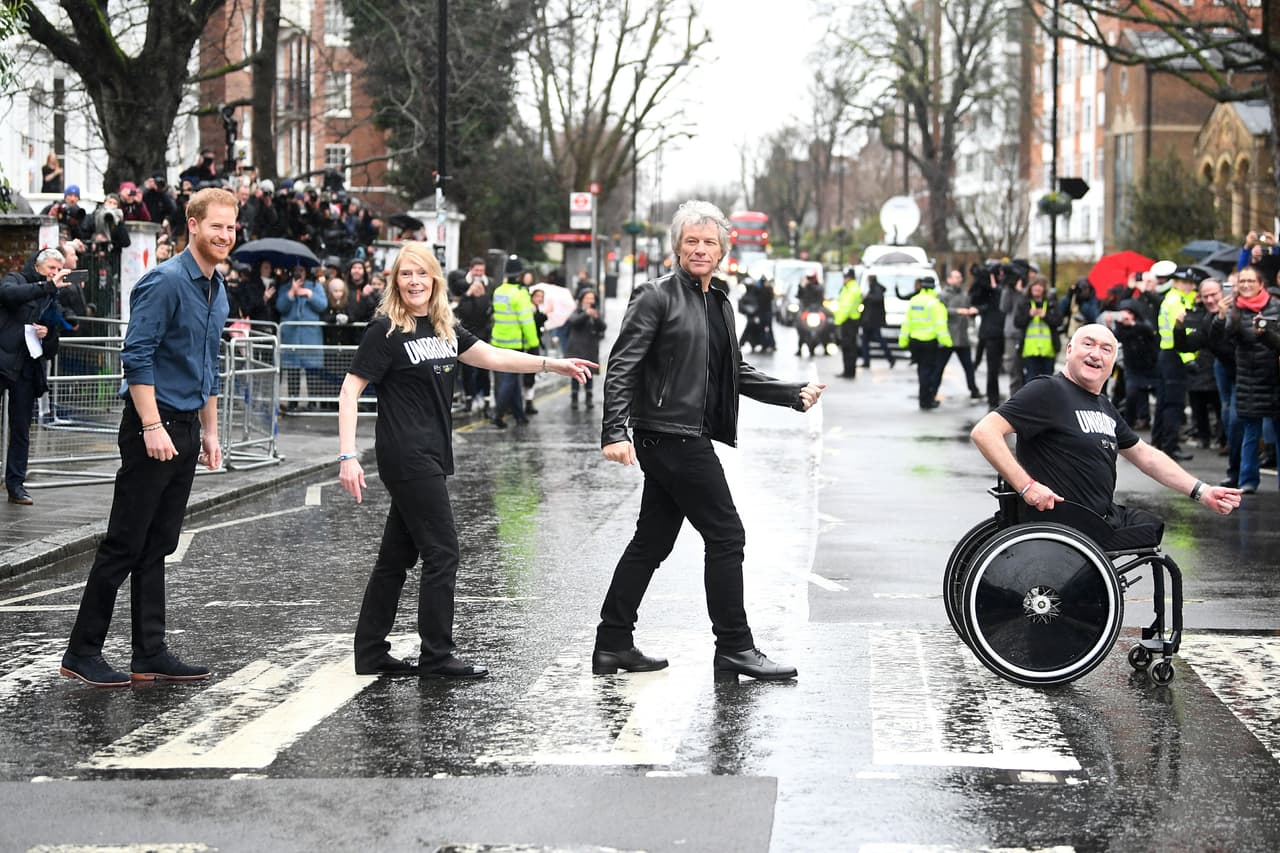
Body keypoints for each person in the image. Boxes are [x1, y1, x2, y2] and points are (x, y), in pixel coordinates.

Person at [337, 242, 596, 678]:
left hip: (432, 453)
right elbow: (350, 390)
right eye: (406, 274)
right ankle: (437, 654)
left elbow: (493, 356)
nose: (414, 281)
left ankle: (370, 651)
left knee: (395, 557)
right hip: (407, 454)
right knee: (443, 552)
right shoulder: (385, 330)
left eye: (422, 273)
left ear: (435, 279)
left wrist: (551, 364)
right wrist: (348, 455)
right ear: (395, 282)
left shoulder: (444, 328)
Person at [595, 200, 825, 682]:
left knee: (651, 542)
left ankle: (613, 642)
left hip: (686, 436)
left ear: (723, 250)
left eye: (709, 242)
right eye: (691, 241)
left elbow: (731, 371)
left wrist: (791, 394)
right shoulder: (654, 296)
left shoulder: (718, 300)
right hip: (669, 437)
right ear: (677, 247)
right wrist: (614, 431)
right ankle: (735, 647)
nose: (700, 249)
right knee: (726, 536)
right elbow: (623, 366)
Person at [60, 187, 235, 688]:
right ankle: (82, 651)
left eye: (231, 227)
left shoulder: (214, 288)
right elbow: (136, 357)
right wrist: (152, 425)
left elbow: (209, 367)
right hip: (151, 426)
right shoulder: (164, 281)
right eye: (216, 226)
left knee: (159, 544)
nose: (225, 235)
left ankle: (149, 652)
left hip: (185, 427)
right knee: (124, 543)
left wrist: (210, 432)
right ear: (193, 224)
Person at [971, 324, 1240, 550]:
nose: (1096, 354)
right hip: (1065, 523)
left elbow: (1145, 455)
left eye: (1106, 349)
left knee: (1150, 526)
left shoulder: (1103, 405)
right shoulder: (1048, 390)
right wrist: (1027, 487)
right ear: (1069, 350)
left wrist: (1202, 492)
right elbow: (985, 432)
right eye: (1088, 344)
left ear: (1113, 363)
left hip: (1097, 519)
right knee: (1150, 540)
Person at [0, 248, 76, 504]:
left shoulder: (53, 298)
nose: (55, 274)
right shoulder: (17, 279)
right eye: (51, 269)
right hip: (2, 361)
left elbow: (53, 346)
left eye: (58, 270)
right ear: (38, 266)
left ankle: (16, 485)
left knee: (21, 429)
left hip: (27, 368)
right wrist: (46, 286)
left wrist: (48, 334)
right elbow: (8, 295)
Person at [1212, 264, 1280, 493]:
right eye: (1242, 282)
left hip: (1274, 377)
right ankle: (1247, 480)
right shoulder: (1233, 310)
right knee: (1249, 432)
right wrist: (1220, 317)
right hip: (1248, 379)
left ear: (1261, 284)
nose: (1246, 285)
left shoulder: (1276, 307)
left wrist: (1266, 334)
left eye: (1251, 281)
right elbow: (1219, 341)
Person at [1153, 268, 1199, 460]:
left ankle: (1159, 442)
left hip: (1167, 354)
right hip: (1176, 355)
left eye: (1190, 282)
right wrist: (1190, 359)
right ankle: (1171, 447)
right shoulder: (1176, 302)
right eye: (1184, 282)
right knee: (1174, 404)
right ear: (1176, 282)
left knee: (1163, 401)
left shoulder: (1173, 298)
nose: (1189, 286)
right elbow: (1182, 334)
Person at [489, 256, 539, 428]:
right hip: (514, 344)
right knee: (510, 380)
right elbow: (527, 322)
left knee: (512, 380)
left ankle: (519, 415)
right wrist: (534, 344)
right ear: (519, 275)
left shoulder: (499, 291)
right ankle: (499, 413)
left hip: (497, 341)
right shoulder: (520, 294)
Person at [277, 264, 329, 411]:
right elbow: (281, 306)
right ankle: (293, 401)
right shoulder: (285, 287)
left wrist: (309, 294)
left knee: (312, 368)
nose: (299, 273)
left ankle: (312, 402)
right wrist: (292, 292)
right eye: (296, 271)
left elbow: (323, 305)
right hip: (292, 335)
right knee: (292, 369)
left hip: (310, 335)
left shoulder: (315, 286)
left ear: (306, 272)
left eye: (301, 271)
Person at [898, 277, 952, 410]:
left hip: (915, 342)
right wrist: (947, 342)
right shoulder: (935, 303)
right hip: (929, 342)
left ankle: (924, 399)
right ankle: (927, 400)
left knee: (921, 370)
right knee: (929, 372)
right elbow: (940, 325)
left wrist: (903, 340)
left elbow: (907, 323)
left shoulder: (914, 301)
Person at [938, 268, 982, 399]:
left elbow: (969, 310)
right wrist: (957, 311)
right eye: (955, 277)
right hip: (948, 338)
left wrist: (973, 311)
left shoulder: (965, 295)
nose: (958, 280)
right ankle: (932, 391)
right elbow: (940, 311)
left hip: (962, 338)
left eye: (959, 277)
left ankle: (974, 390)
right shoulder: (943, 295)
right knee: (939, 367)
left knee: (969, 367)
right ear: (949, 279)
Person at [453, 275, 492, 414]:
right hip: (468, 340)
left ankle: (485, 398)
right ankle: (470, 398)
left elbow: (485, 314)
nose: (476, 288)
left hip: (482, 339)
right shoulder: (467, 301)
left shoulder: (486, 300)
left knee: (483, 371)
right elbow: (460, 313)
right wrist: (468, 295)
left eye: (479, 286)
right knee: (467, 372)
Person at [564, 287, 606, 408]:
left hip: (590, 348)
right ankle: (574, 398)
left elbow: (603, 327)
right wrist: (585, 314)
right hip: (576, 348)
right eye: (587, 298)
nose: (589, 300)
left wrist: (596, 318)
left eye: (592, 298)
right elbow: (573, 322)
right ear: (581, 299)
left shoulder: (595, 312)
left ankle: (589, 398)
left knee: (589, 373)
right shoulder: (576, 311)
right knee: (575, 373)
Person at [1015, 275, 1060, 385]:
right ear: (1030, 288)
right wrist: (1029, 315)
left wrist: (1046, 316)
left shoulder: (1051, 303)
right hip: (1030, 349)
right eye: (1035, 285)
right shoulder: (1024, 302)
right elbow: (1017, 322)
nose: (1037, 288)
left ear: (1044, 288)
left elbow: (1058, 321)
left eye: (1040, 286)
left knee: (1048, 382)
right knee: (1030, 381)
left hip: (1048, 350)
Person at [833, 267, 863, 378]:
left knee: (849, 347)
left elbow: (846, 308)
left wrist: (838, 321)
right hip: (849, 321)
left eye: (845, 277)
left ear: (849, 278)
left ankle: (849, 372)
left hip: (848, 321)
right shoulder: (849, 288)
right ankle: (848, 371)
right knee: (848, 347)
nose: (844, 279)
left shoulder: (852, 289)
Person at [860, 275, 895, 367]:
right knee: (866, 341)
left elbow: (877, 299)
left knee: (879, 340)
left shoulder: (876, 289)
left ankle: (890, 358)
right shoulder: (873, 289)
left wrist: (867, 297)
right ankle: (866, 361)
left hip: (873, 322)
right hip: (869, 322)